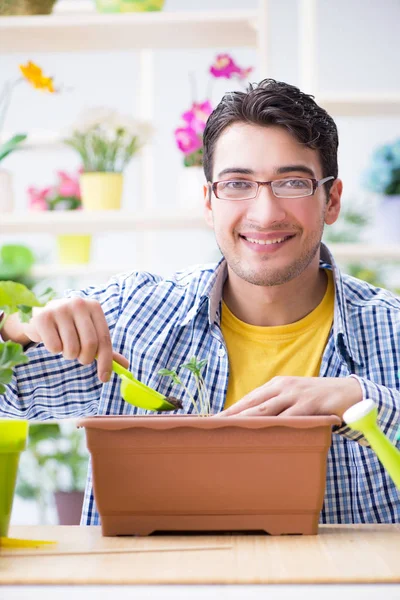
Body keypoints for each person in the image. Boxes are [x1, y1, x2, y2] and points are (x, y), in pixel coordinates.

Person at [1, 79, 399, 526]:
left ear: (332, 200)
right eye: (237, 184)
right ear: (209, 202)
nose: (265, 213)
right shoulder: (132, 316)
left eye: (292, 183)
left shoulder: (392, 332)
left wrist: (368, 404)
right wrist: (13, 330)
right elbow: (7, 395)